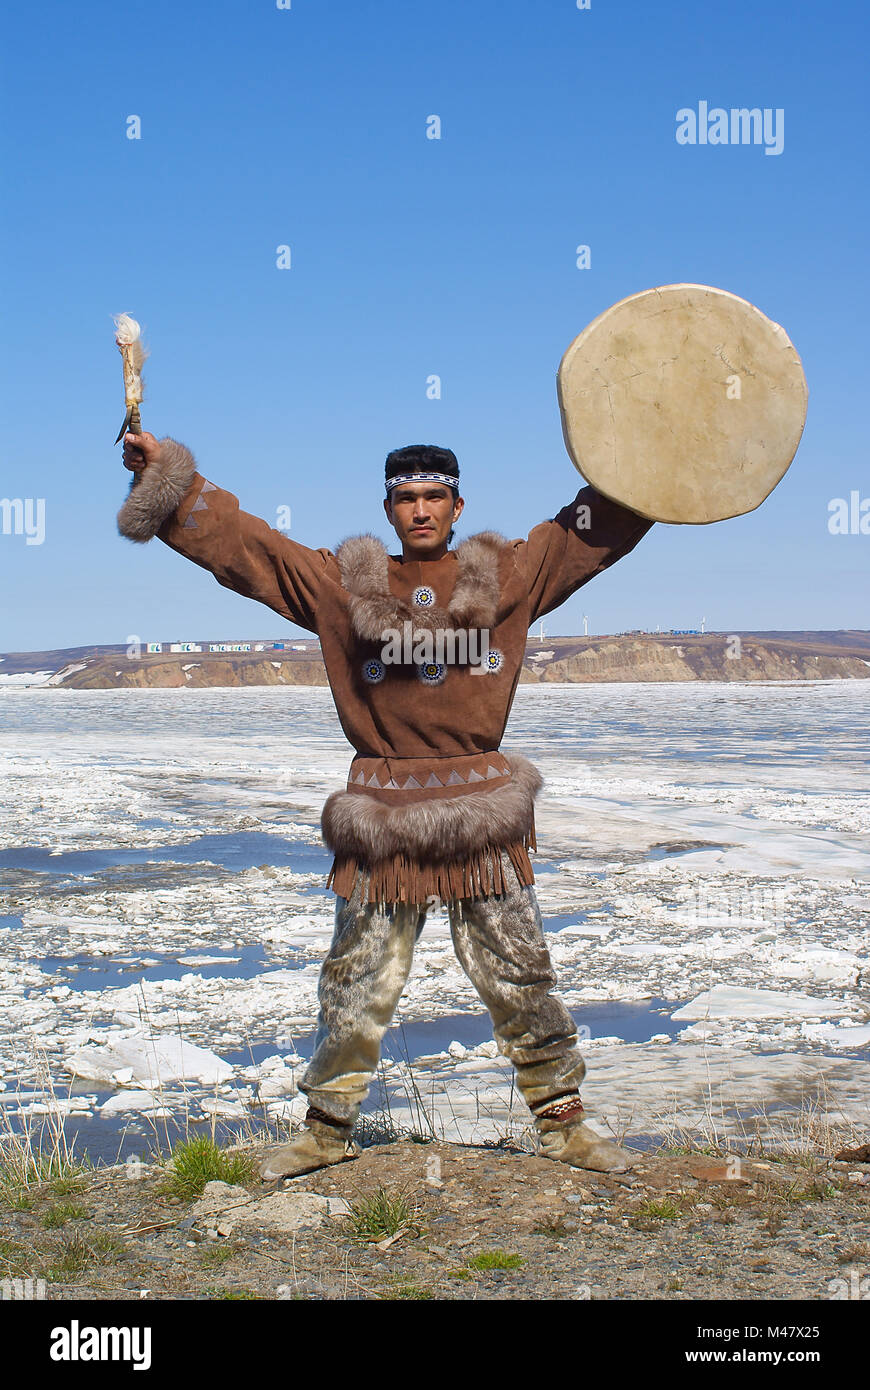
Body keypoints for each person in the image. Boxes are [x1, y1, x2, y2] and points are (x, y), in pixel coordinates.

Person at [117, 430, 654, 1177]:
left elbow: (585, 533)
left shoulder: (509, 575)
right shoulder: (341, 585)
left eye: (435, 496)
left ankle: (564, 1126)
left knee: (519, 970)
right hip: (383, 813)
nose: (421, 510)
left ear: (458, 505)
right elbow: (250, 551)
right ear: (388, 507)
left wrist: (656, 456)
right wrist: (170, 481)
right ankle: (326, 1131)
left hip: (481, 810)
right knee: (357, 975)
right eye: (407, 498)